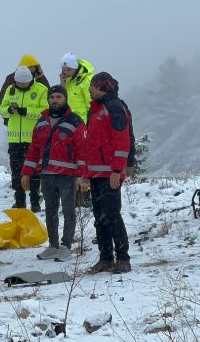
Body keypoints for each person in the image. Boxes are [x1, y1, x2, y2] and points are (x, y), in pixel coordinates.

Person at [21, 85, 87, 262]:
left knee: (68, 211)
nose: (55, 100)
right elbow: (34, 149)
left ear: (65, 99)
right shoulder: (41, 121)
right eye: (52, 97)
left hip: (67, 175)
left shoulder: (75, 122)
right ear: (48, 99)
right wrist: (26, 173)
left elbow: (82, 150)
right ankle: (53, 245)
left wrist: (82, 176)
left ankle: (66, 247)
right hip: (47, 175)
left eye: (59, 97)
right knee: (50, 210)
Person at [82, 72, 132, 274]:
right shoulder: (94, 109)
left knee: (112, 216)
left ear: (102, 87)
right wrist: (85, 172)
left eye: (92, 86)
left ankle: (123, 258)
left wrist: (117, 170)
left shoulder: (114, 107)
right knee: (99, 217)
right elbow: (89, 145)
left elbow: (122, 140)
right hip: (95, 174)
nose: (89, 89)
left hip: (110, 173)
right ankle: (105, 258)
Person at [0, 66, 49, 211]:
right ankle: (19, 200)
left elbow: (44, 112)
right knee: (17, 172)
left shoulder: (41, 90)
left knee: (34, 171)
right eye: (19, 83)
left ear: (30, 80)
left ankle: (35, 201)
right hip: (15, 139)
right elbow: (2, 109)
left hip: (33, 139)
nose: (21, 86)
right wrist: (9, 110)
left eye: (24, 83)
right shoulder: (11, 90)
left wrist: (25, 111)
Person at [0, 54, 51, 127]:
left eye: (33, 66)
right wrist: (10, 110)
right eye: (29, 66)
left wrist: (41, 77)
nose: (31, 69)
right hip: (14, 123)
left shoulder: (39, 78)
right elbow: (3, 99)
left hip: (36, 123)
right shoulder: (12, 78)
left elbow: (49, 96)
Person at [59, 53, 94, 122]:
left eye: (68, 70)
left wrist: (90, 123)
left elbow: (91, 104)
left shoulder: (86, 80)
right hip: (67, 120)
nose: (65, 72)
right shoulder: (68, 79)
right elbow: (60, 100)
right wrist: (62, 84)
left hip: (81, 122)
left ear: (75, 68)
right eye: (63, 69)